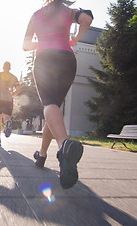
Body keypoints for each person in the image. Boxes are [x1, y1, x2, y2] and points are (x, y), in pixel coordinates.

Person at [23, 0, 93, 189]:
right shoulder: (69, 11)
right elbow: (86, 19)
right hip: (67, 59)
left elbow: (25, 45)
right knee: (54, 109)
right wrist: (76, 38)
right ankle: (42, 155)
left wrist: (43, 41)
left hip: (46, 58)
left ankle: (64, 146)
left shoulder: (37, 15)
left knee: (50, 105)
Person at [0, 61, 20, 146]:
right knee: (7, 118)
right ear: (10, 68)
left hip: (0, 98)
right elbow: (18, 90)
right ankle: (8, 123)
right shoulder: (14, 77)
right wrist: (12, 94)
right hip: (9, 100)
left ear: (3, 67)